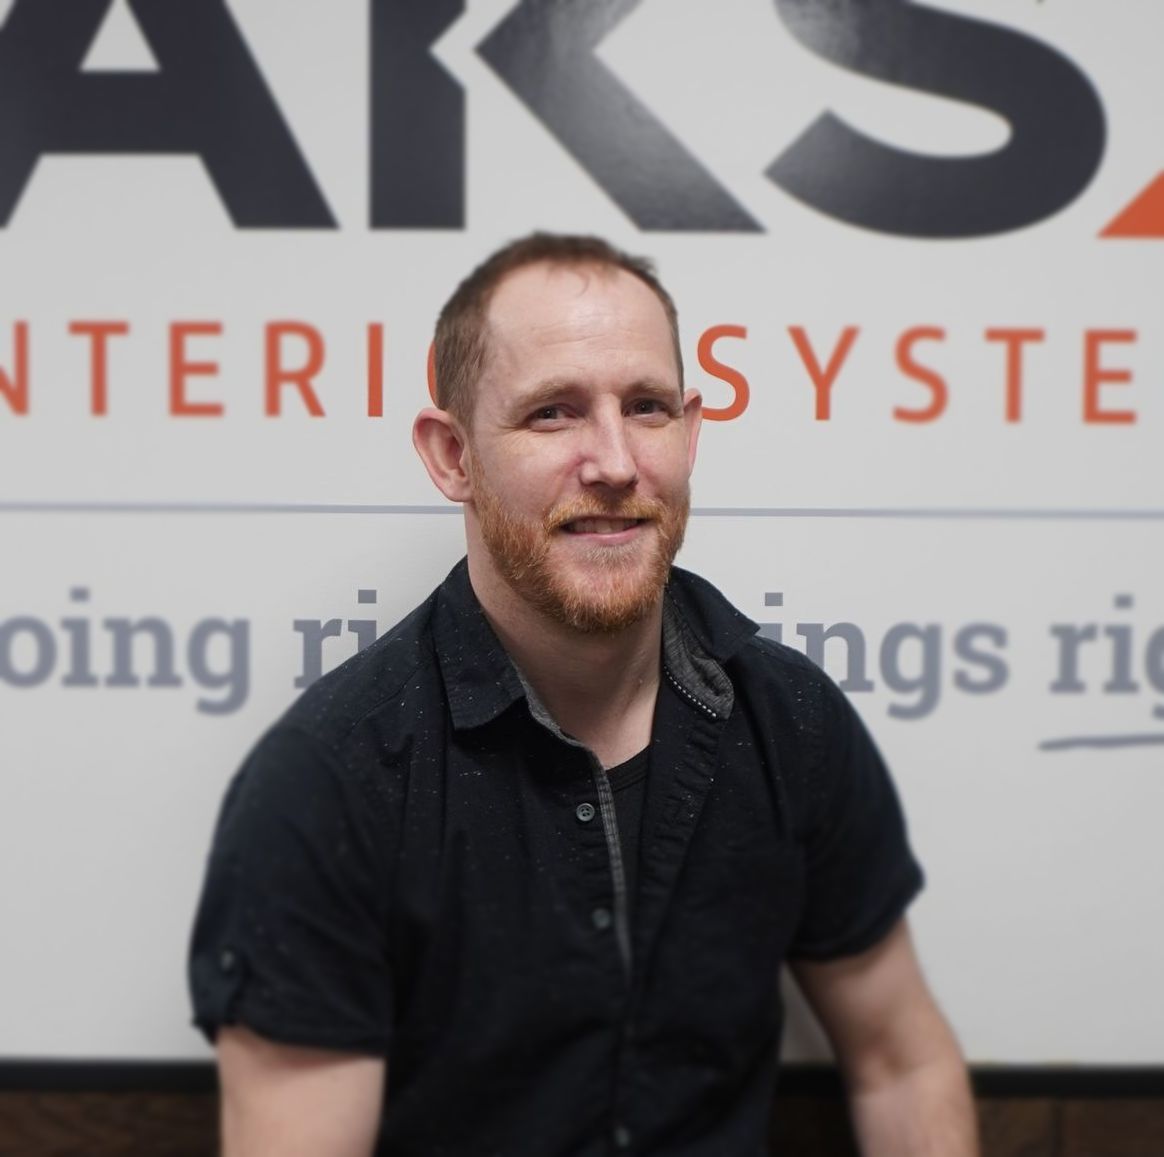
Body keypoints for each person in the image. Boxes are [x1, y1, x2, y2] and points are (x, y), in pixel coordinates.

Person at [189, 233, 978, 1156]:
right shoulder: (326, 783)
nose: (613, 462)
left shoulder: (790, 722)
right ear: (452, 455)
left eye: (646, 408)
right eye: (553, 414)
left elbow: (901, 1063)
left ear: (689, 433)